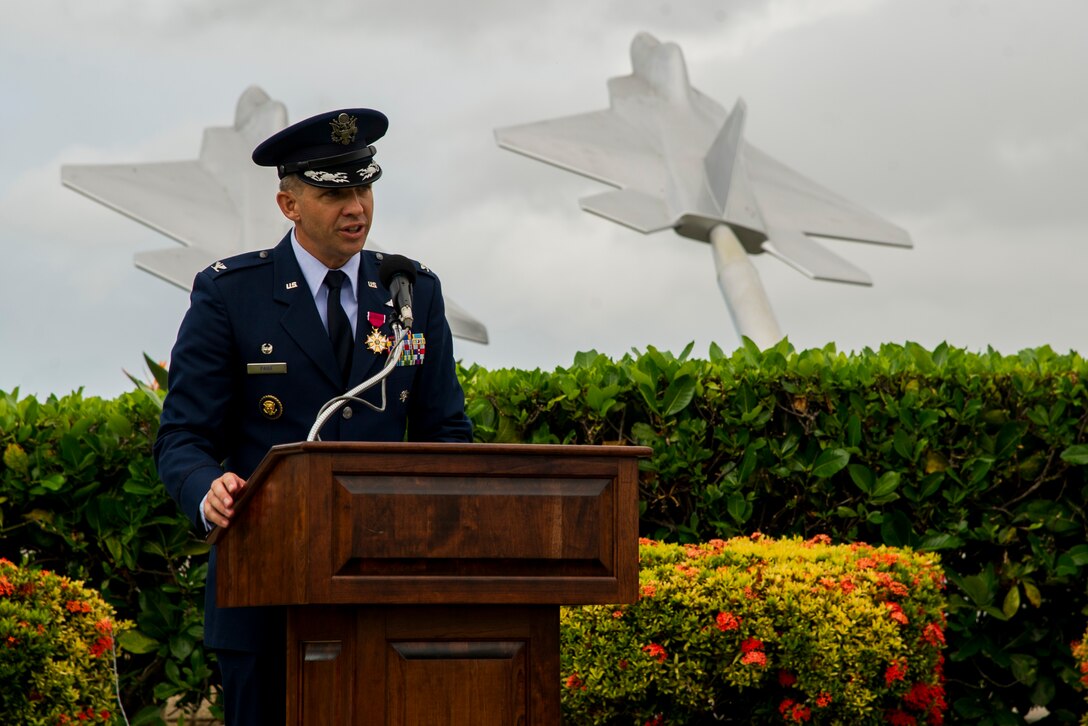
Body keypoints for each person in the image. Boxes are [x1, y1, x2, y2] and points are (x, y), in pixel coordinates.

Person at [154, 107, 473, 725]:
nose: (356, 208)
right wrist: (206, 490)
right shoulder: (230, 293)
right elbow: (183, 437)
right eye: (334, 193)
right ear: (289, 204)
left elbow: (445, 433)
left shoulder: (413, 292)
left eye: (364, 187)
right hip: (265, 596)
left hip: (388, 595)